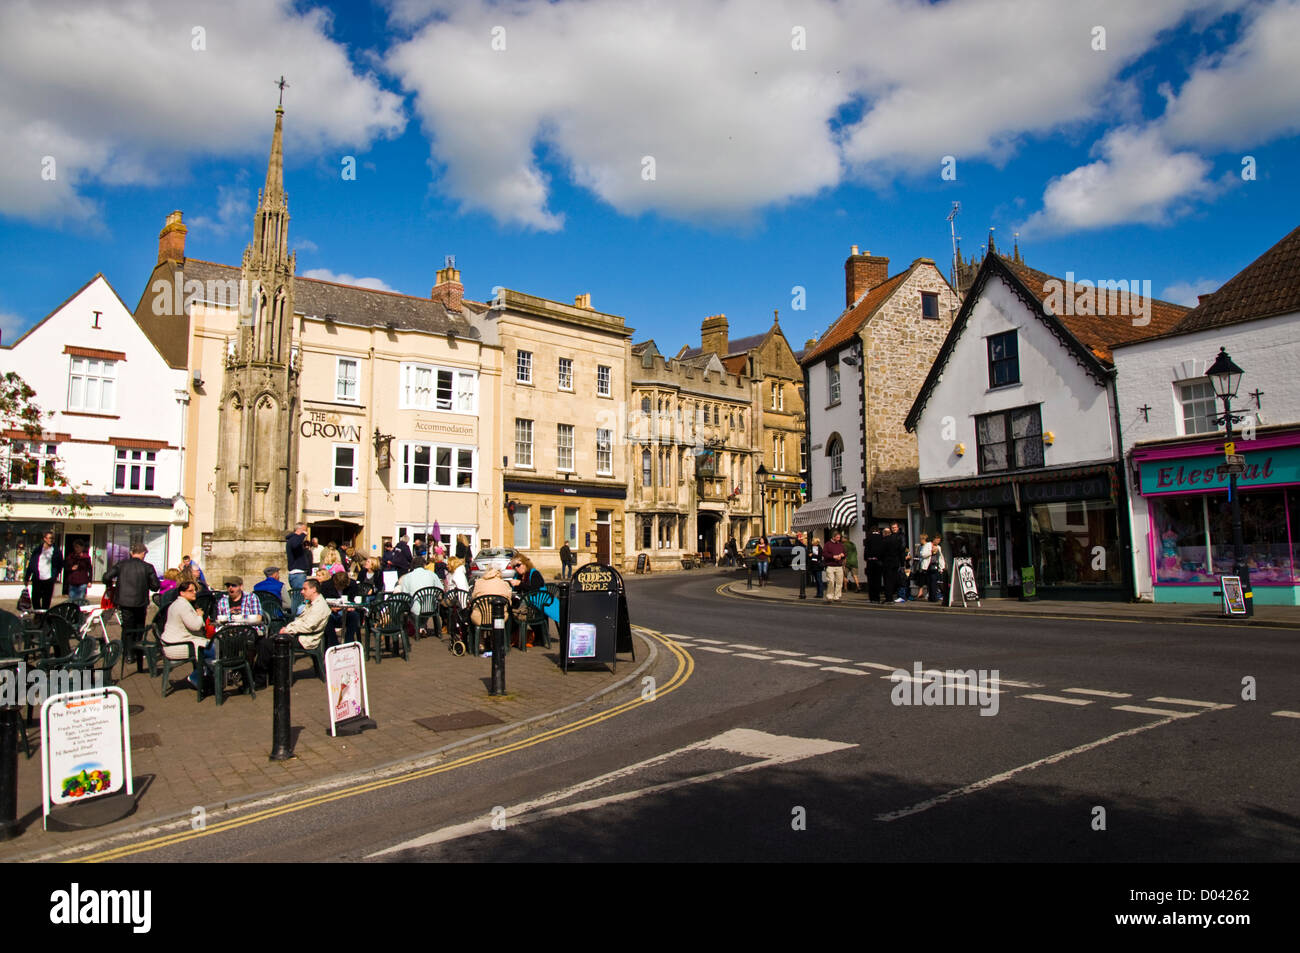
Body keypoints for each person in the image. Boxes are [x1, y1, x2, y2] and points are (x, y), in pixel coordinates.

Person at [255, 577, 330, 688]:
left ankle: (260, 680)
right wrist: (288, 628)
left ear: (313, 589)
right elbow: (300, 621)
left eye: (304, 589)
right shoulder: (312, 603)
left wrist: (288, 630)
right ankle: (271, 677)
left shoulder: (319, 606)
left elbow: (308, 626)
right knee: (265, 642)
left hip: (305, 639)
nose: (302, 591)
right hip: (298, 634)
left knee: (267, 644)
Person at [103, 542, 160, 670]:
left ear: (131, 553)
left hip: (124, 602)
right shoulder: (147, 567)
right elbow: (155, 586)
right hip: (140, 602)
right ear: (143, 553)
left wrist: (111, 586)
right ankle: (136, 652)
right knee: (139, 627)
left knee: (127, 627)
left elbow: (106, 577)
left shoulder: (121, 565)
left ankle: (128, 654)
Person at [161, 580, 212, 690]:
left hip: (172, 642)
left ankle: (205, 677)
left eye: (194, 590)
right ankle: (197, 677)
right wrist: (200, 615)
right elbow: (195, 626)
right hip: (177, 646)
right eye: (190, 591)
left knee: (211, 648)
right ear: (182, 593)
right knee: (213, 649)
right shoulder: (183, 606)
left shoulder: (178, 603)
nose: (194, 593)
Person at [25, 530, 64, 610]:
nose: (51, 540)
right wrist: (27, 577)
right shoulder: (38, 550)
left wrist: (55, 575)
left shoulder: (56, 551)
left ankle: (44, 617)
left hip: (49, 579)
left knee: (46, 600)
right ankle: (37, 615)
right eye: (49, 538)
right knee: (35, 598)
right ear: (44, 539)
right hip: (37, 578)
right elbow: (31, 564)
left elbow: (60, 564)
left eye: (52, 538)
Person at [884, 524, 908, 603]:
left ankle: (902, 596)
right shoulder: (891, 537)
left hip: (898, 561)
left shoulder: (901, 536)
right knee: (896, 579)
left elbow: (902, 548)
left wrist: (902, 562)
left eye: (895, 527)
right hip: (895, 561)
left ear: (898, 528)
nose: (894, 529)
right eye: (892, 528)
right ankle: (899, 595)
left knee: (900, 578)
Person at [285, 524, 311, 593]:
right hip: (298, 574)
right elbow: (295, 545)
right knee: (298, 597)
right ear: (299, 530)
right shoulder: (294, 538)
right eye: (305, 530)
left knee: (298, 597)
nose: (306, 532)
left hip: (298, 574)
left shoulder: (294, 539)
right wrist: (303, 535)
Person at [64, 540, 92, 606]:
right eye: (75, 547)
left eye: (78, 547)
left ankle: (79, 614)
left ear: (82, 548)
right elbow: (65, 568)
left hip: (82, 582)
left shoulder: (86, 558)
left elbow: (90, 569)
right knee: (71, 602)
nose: (77, 549)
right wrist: (71, 568)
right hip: (73, 582)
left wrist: (89, 581)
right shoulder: (70, 557)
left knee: (80, 601)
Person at [865, 525, 885, 604]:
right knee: (877, 580)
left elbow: (866, 551)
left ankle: (871, 597)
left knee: (870, 580)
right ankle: (877, 597)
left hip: (870, 561)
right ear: (878, 531)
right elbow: (882, 550)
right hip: (878, 561)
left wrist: (867, 558)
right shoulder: (881, 538)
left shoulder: (868, 538)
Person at [823, 532, 847, 602]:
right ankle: (830, 596)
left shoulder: (840, 545)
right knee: (831, 581)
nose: (839, 539)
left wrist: (843, 555)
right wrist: (833, 557)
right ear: (833, 537)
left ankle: (837, 596)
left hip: (839, 566)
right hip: (830, 565)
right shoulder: (827, 544)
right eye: (837, 537)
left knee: (839, 582)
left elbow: (845, 553)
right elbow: (824, 554)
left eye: (839, 538)